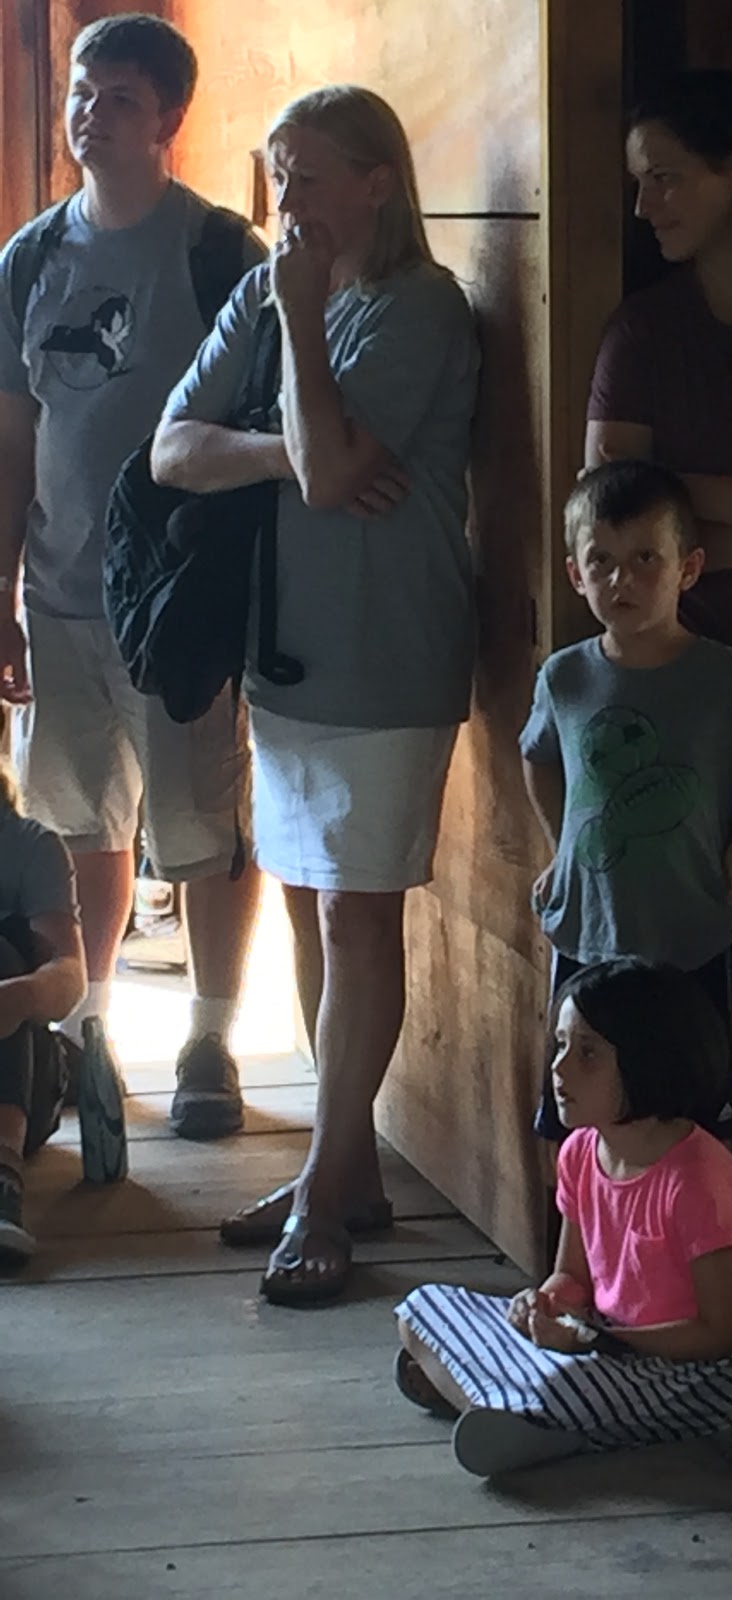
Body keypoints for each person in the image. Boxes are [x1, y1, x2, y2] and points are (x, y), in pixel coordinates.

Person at [152, 86, 479, 1307]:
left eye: (307, 173)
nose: (284, 197)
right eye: (276, 172)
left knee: (355, 916)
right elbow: (171, 450)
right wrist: (285, 454)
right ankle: (346, 1172)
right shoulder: (265, 288)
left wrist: (297, 332)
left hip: (388, 654)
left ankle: (328, 1196)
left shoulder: (418, 306)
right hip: (283, 654)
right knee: (303, 900)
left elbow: (339, 475)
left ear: (378, 182)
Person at [0, 14, 265, 1142]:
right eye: (80, 92)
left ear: (169, 118)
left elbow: (261, 420)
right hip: (59, 590)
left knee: (203, 822)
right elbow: (15, 437)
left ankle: (209, 1034)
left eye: (118, 97)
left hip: (175, 602)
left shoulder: (219, 254)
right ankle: (89, 1024)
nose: (90, 115)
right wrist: (2, 595)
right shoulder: (28, 261)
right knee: (76, 819)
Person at [394, 958, 732, 1477]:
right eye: (561, 1045)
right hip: (606, 1341)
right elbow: (572, 1276)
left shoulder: (696, 1180)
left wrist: (596, 1342)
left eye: (588, 1053)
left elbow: (720, 1334)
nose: (560, 1067)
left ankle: (509, 1405)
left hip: (695, 1375)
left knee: (559, 1384)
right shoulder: (579, 1151)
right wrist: (542, 1304)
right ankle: (524, 1415)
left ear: (647, 1062)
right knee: (420, 1308)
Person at [520, 460, 732, 1144]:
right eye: (601, 562)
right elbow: (537, 758)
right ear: (576, 575)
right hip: (590, 924)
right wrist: (559, 848)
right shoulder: (565, 677)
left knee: (686, 1101)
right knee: (579, 1096)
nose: (621, 580)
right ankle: (585, 1214)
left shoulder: (727, 678)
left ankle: (688, 1212)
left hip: (687, 925)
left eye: (644, 560)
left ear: (687, 569)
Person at [585, 68, 732, 680]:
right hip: (677, 672)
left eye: (664, 178)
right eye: (639, 184)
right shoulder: (641, 334)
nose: (643, 207)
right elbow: (613, 533)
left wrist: (671, 489)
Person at [0, 752, 86, 1266]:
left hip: (19, 1066)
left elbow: (69, 973)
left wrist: (19, 997)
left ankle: (2, 1176)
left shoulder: (29, 845)